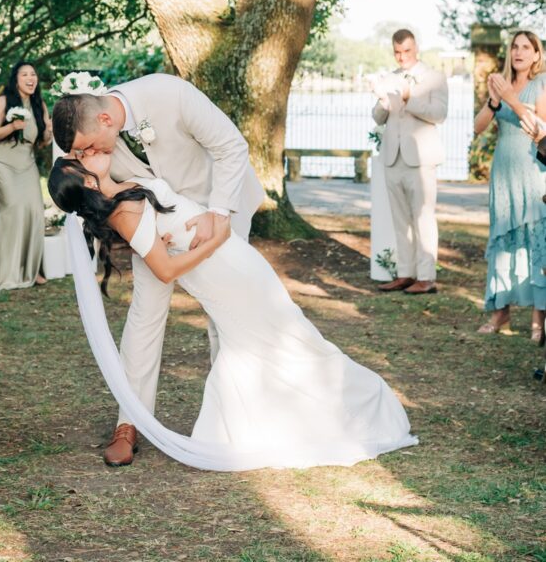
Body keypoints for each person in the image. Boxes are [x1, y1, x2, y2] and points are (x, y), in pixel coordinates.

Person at [48, 154, 417, 471]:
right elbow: (166, 271)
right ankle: (364, 409)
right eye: (83, 156)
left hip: (236, 266)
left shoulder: (125, 192)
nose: (91, 150)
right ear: (86, 179)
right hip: (223, 272)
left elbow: (162, 230)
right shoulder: (123, 213)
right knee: (290, 341)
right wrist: (218, 241)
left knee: (283, 340)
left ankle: (261, 426)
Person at [52, 74, 264, 467]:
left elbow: (232, 146)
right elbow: (89, 192)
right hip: (155, 221)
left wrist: (216, 215)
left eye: (87, 147)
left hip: (221, 206)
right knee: (145, 314)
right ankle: (129, 422)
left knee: (227, 314)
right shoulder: (91, 148)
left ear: (104, 121)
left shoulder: (170, 92)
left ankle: (232, 417)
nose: (86, 156)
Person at [474, 31, 546, 340]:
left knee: (535, 241)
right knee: (503, 240)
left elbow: (541, 129)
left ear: (536, 55)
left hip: (532, 170)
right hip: (503, 173)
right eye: (514, 47)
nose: (518, 52)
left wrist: (512, 100)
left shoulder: (541, 85)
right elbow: (478, 127)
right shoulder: (499, 85)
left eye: (525, 47)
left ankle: (537, 318)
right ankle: (500, 312)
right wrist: (493, 100)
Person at [370, 29, 448, 295]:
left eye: (407, 51)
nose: (402, 57)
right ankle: (405, 273)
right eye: (397, 52)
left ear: (416, 49)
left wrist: (408, 98)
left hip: (422, 158)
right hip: (393, 156)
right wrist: (383, 101)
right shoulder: (388, 78)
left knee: (424, 218)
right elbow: (378, 117)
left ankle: (426, 277)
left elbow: (439, 114)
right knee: (400, 220)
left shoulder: (434, 78)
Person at [0, 61, 52, 293]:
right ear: (16, 79)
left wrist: (48, 133)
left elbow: (41, 141)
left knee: (33, 210)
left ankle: (29, 269)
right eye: (24, 75)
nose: (30, 78)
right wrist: (13, 127)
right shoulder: (3, 101)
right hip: (4, 162)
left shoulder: (39, 105)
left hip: (27, 162)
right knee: (10, 210)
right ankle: (4, 271)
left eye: (33, 74)